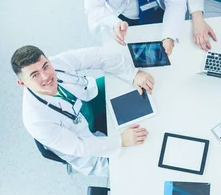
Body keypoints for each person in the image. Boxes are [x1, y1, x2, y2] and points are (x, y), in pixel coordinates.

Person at [11, 45, 155, 176]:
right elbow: (80, 147)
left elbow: (97, 55)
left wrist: (133, 74)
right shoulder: (36, 120)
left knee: (126, 82)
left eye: (45, 66)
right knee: (141, 159)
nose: (46, 76)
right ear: (22, 83)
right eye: (34, 75)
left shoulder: (58, 63)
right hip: (88, 146)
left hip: (87, 101)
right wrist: (120, 141)